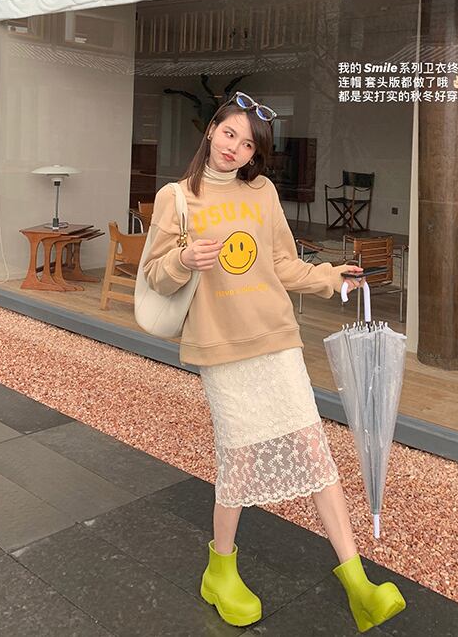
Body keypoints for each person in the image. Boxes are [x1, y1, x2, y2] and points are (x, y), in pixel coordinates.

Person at [143, 92, 406, 632]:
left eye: (247, 145)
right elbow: (154, 275)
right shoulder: (177, 197)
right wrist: (183, 258)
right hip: (222, 346)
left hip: (277, 339)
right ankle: (220, 570)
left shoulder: (261, 192)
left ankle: (358, 582)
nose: (234, 149)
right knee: (238, 459)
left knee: (314, 451)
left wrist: (331, 276)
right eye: (229, 134)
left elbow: (283, 263)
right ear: (211, 130)